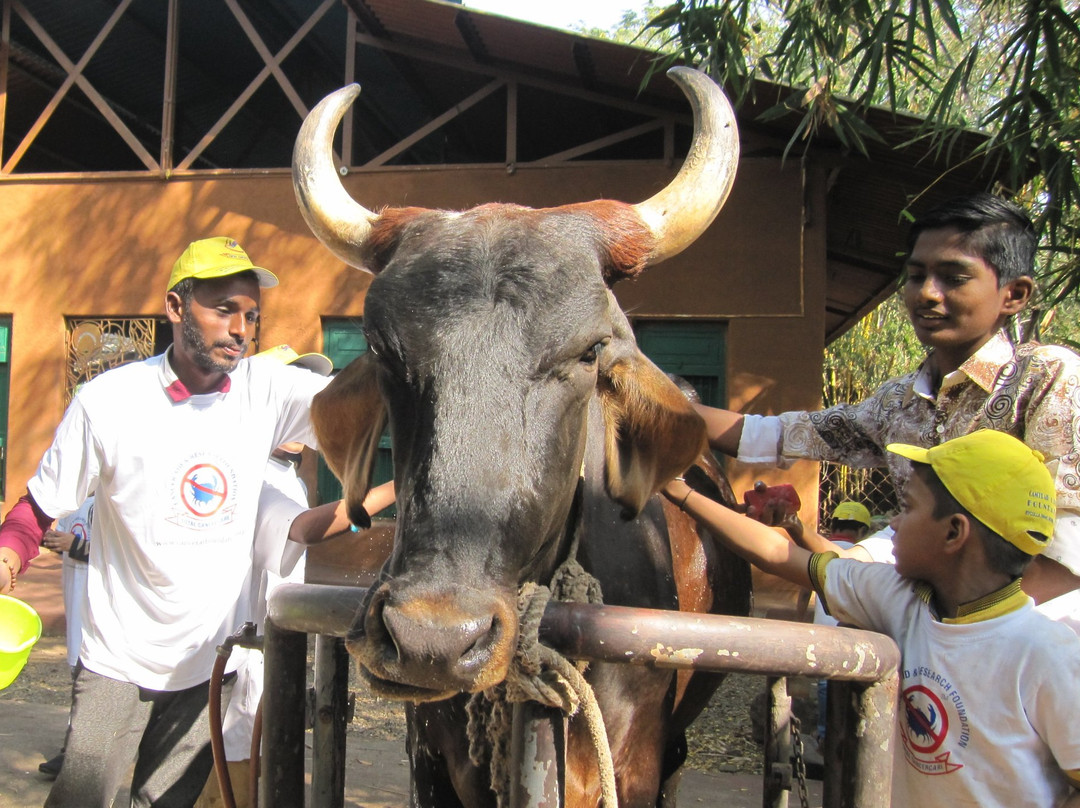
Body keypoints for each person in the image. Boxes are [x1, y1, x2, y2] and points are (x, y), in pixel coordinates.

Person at [0, 236, 333, 808]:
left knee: (164, 803)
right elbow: (38, 505)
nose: (241, 330)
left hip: (209, 664)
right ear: (176, 308)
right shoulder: (109, 401)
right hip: (118, 659)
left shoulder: (267, 388)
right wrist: (10, 551)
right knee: (81, 797)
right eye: (224, 309)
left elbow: (358, 401)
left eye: (251, 315)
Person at [695, 193, 1080, 610]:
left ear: (1015, 295)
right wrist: (651, 400)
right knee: (831, 610)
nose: (927, 294)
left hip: (1035, 611)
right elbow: (775, 435)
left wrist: (952, 628)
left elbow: (1067, 549)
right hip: (927, 587)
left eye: (953, 277)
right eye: (916, 276)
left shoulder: (1046, 377)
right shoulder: (899, 400)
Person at [664, 430, 1080, 806]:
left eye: (908, 508)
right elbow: (777, 555)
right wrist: (676, 491)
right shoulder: (898, 598)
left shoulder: (1050, 656)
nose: (893, 524)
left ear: (954, 533)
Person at [195, 345, 395, 808]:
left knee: (258, 760)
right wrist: (395, 486)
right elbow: (303, 529)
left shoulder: (291, 479)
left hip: (268, 648)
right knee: (226, 774)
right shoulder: (247, 471)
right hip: (235, 652)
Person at [35, 495, 96, 779]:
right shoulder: (75, 502)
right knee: (78, 672)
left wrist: (78, 546)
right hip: (76, 601)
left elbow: (131, 553)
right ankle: (76, 747)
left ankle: (76, 751)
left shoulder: (113, 501)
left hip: (100, 607)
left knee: (92, 676)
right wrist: (55, 542)